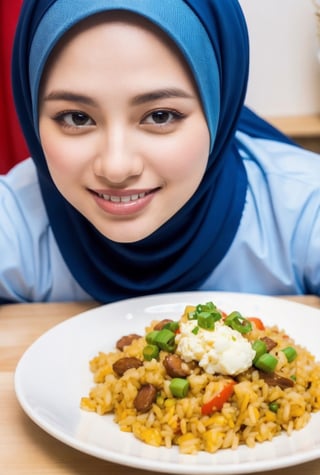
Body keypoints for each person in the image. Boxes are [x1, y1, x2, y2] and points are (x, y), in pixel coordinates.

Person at [1, 0, 319, 304]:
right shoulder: (15, 223)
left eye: (160, 116)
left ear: (218, 109)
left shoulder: (303, 209)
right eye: (77, 118)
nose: (116, 167)